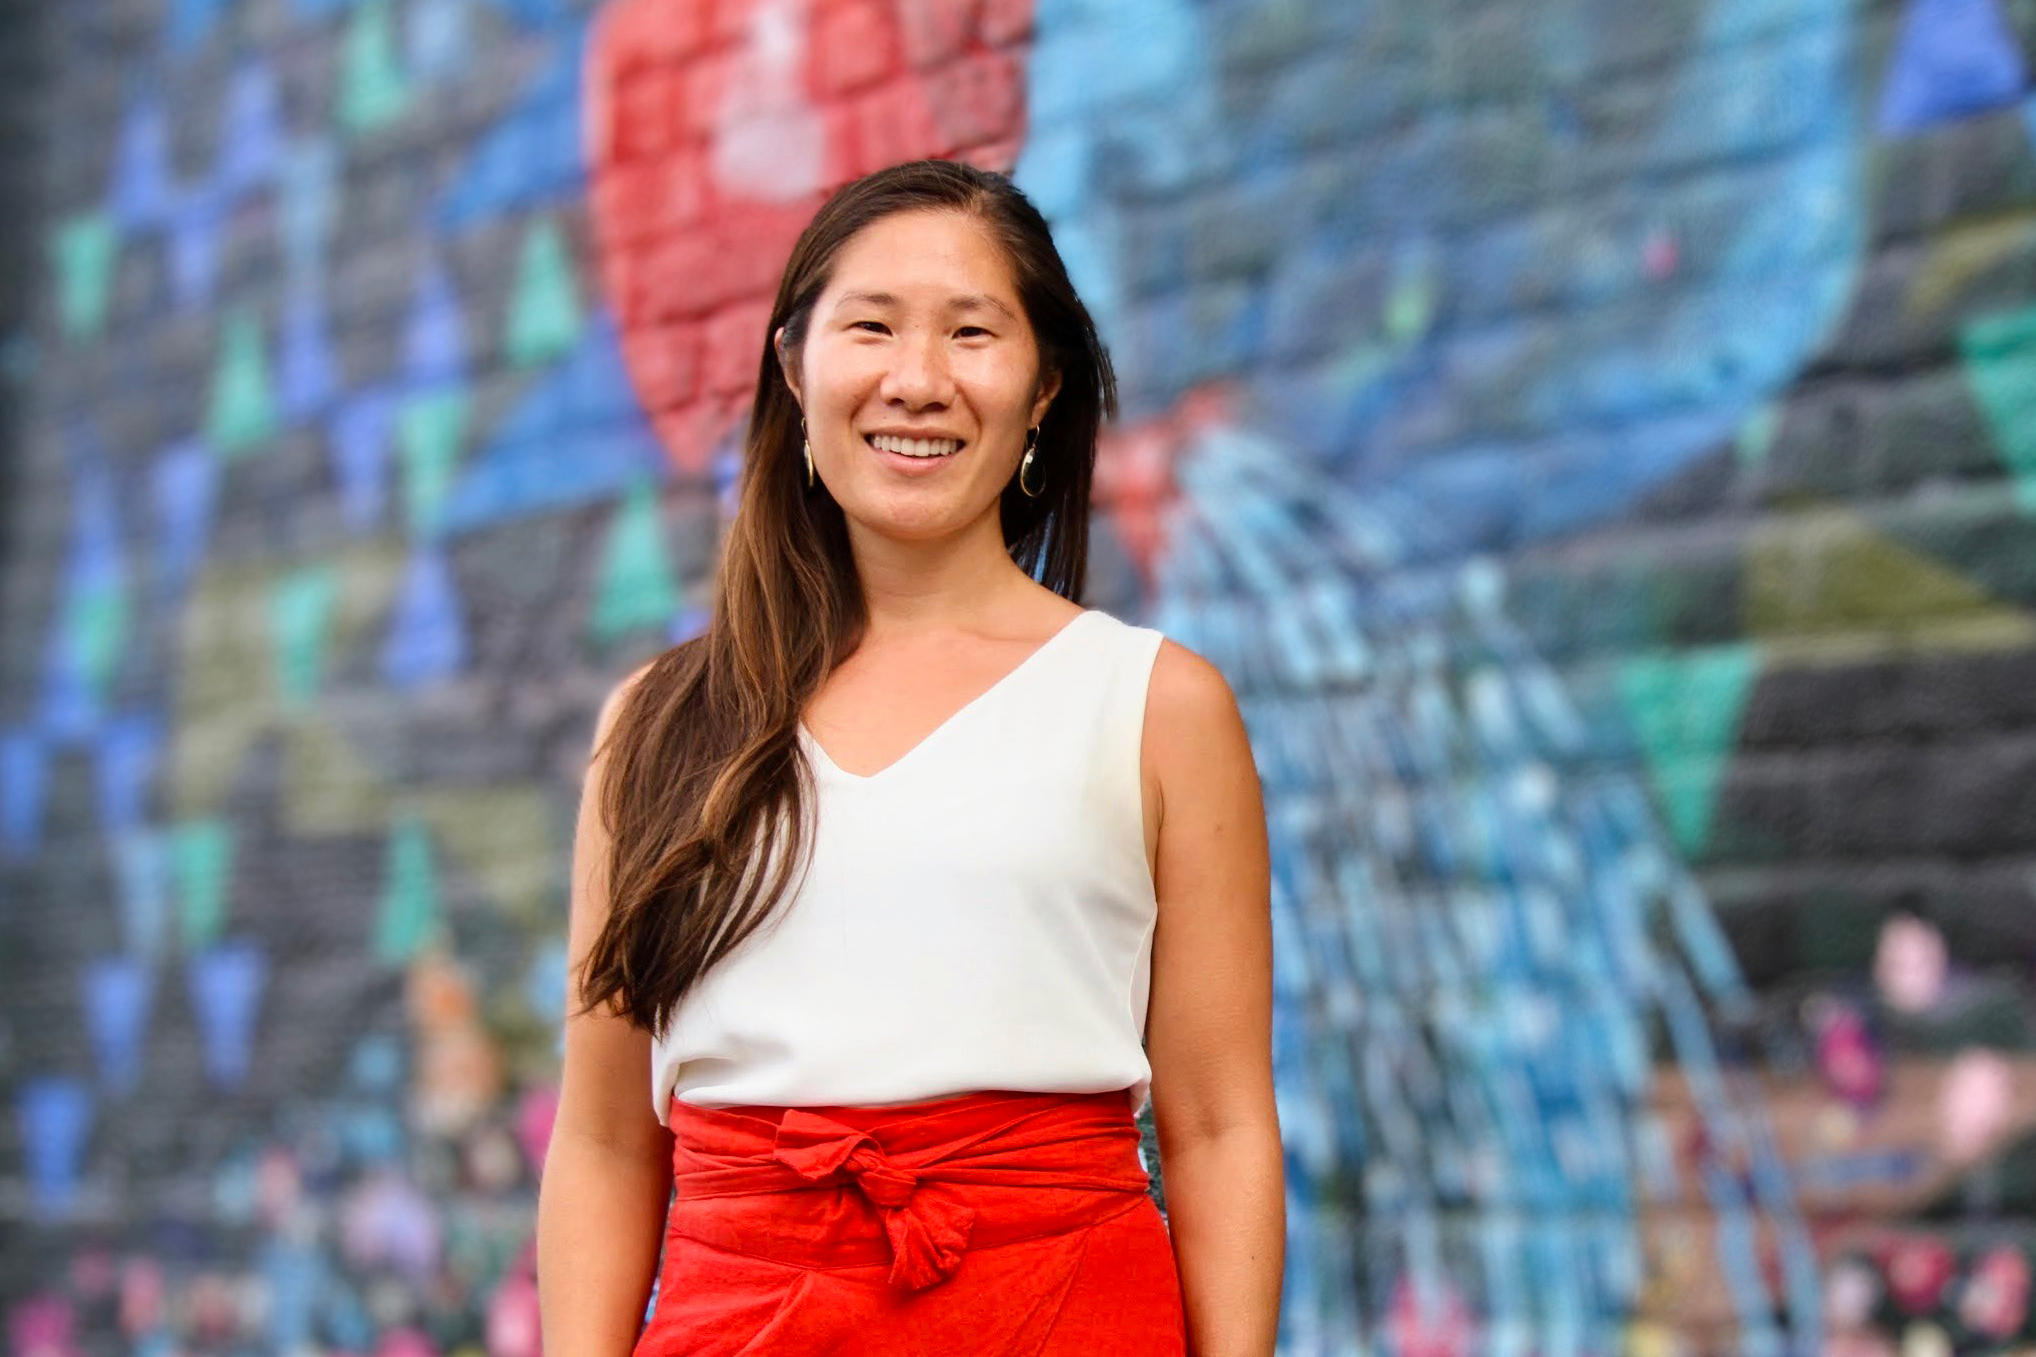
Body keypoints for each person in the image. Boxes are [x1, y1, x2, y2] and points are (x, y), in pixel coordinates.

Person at [536, 158, 1282, 1356]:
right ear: (794, 368)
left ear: (1042, 386)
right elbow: (609, 1141)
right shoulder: (661, 724)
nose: (917, 381)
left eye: (972, 333)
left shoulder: (1155, 707)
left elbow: (1216, 1122)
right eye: (870, 326)